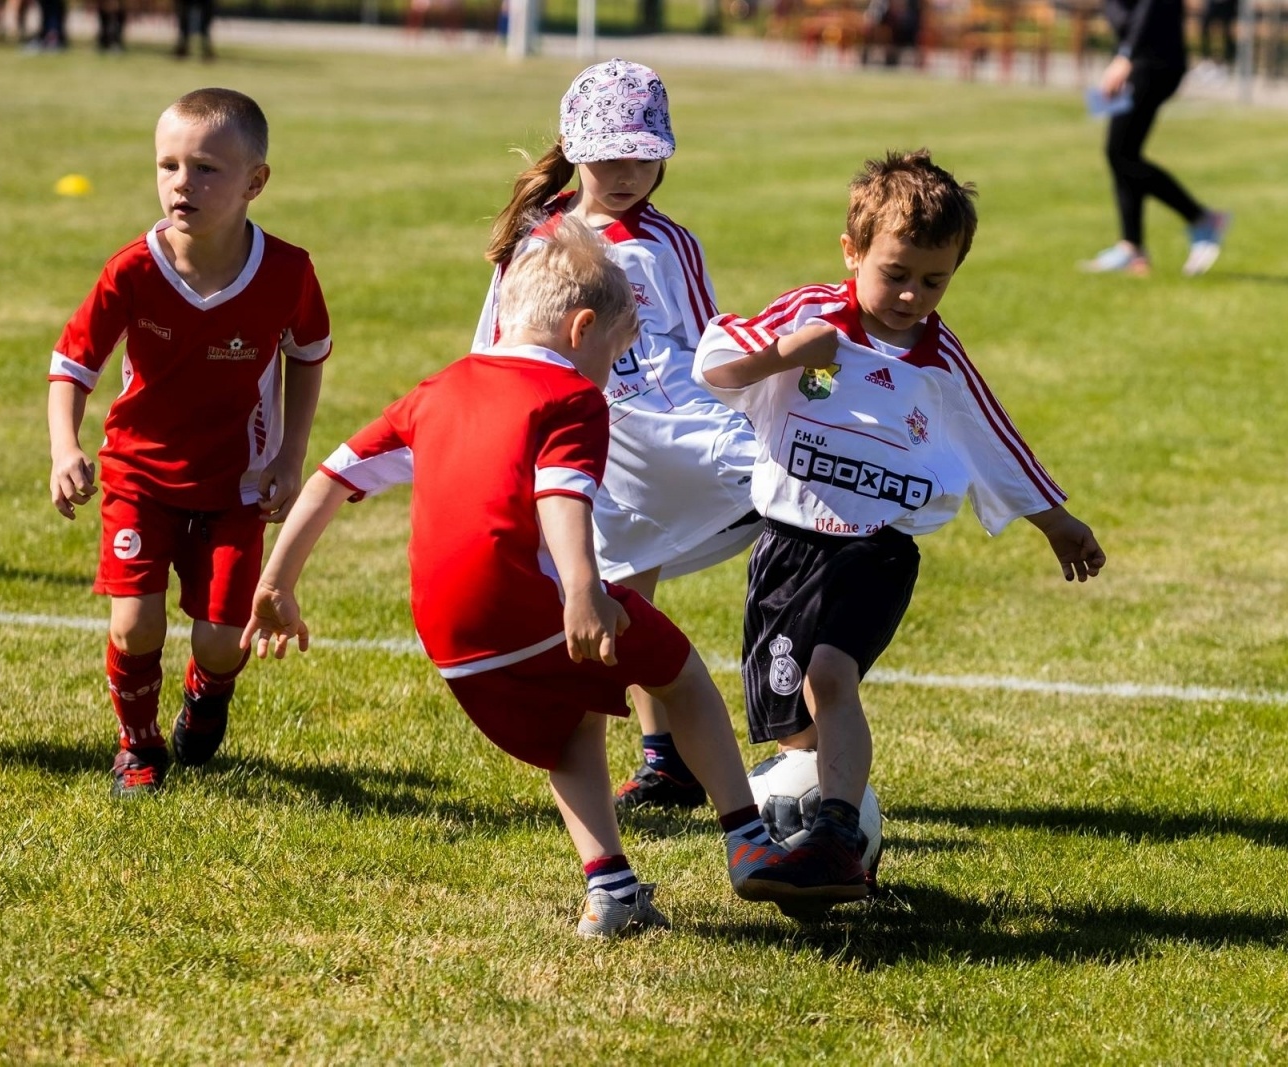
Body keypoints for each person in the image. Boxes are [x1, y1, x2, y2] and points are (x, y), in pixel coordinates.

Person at [243, 219, 851, 936]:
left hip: (447, 633)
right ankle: (749, 841)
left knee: (571, 725)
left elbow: (331, 477)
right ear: (581, 329)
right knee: (683, 678)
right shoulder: (570, 396)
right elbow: (562, 496)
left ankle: (612, 891)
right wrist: (583, 589)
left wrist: (276, 582)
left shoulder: (438, 388)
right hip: (526, 600)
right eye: (615, 356)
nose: (610, 375)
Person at [693, 151, 1107, 898]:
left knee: (830, 677)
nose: (913, 294)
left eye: (934, 280)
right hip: (788, 547)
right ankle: (833, 830)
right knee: (794, 727)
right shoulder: (811, 314)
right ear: (852, 252)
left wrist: (1055, 520)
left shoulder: (940, 359)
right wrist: (786, 354)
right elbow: (715, 364)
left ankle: (836, 836)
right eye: (896, 273)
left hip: (878, 549)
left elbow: (992, 441)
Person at [475, 59, 761, 814]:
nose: (627, 173)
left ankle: (764, 740)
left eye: (642, 155)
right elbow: (495, 347)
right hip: (574, 451)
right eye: (608, 156)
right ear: (575, 150)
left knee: (635, 598)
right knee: (608, 603)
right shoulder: (534, 241)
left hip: (663, 450)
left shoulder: (668, 244)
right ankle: (660, 764)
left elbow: (709, 347)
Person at [47, 88, 332, 798]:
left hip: (236, 485)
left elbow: (307, 354)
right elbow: (72, 364)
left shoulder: (287, 272)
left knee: (219, 640)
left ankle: (208, 692)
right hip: (138, 476)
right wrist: (64, 447)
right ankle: (138, 745)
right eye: (169, 166)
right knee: (135, 623)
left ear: (255, 183)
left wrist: (289, 455)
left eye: (206, 169)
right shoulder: (133, 269)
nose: (182, 183)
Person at [1080, 0, 1229, 277]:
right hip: (1137, 56)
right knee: (1124, 153)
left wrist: (1125, 55)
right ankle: (1131, 247)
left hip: (1152, 59)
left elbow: (1150, 7)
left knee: (1121, 153)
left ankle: (1201, 218)